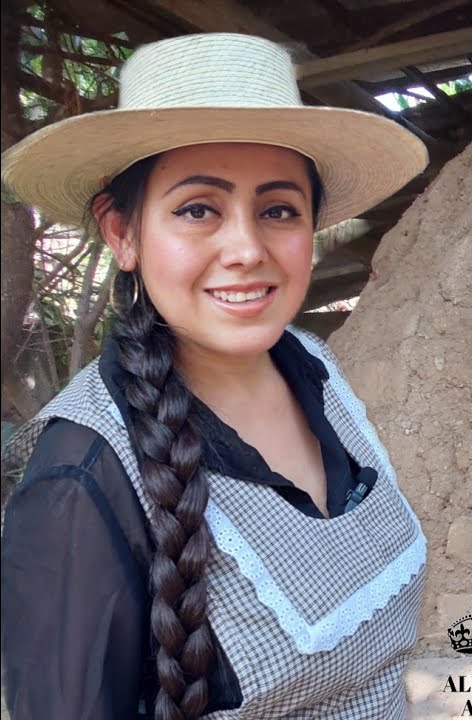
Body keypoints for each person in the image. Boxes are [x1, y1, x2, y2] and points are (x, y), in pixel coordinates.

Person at [1, 33, 429, 718]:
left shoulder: (316, 367)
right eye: (198, 209)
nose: (246, 249)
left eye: (278, 210)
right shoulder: (82, 480)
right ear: (123, 233)